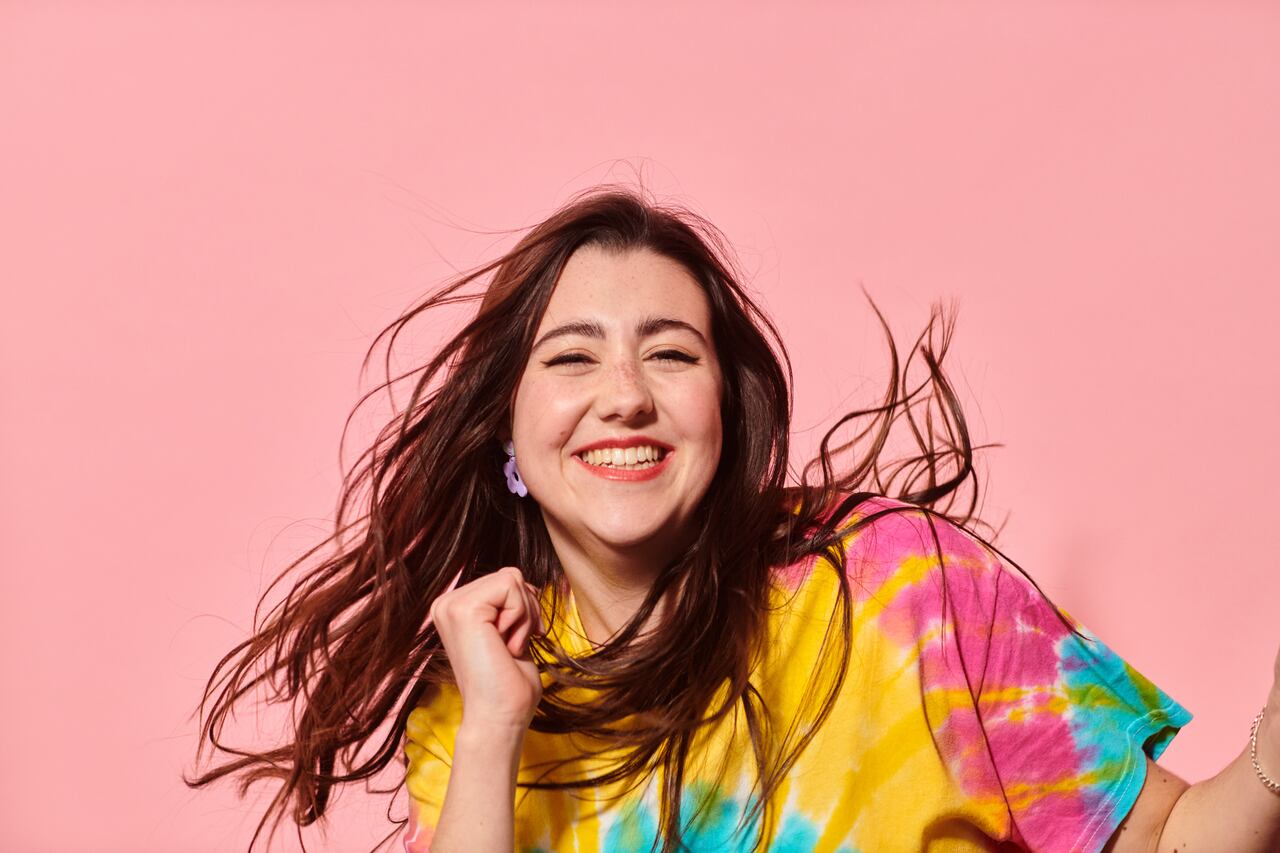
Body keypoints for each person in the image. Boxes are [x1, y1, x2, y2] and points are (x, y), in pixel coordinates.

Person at [187, 186, 1280, 852]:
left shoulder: (897, 584)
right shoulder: (479, 694)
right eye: (572, 359)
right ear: (508, 434)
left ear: (726, 412)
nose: (624, 395)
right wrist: (492, 728)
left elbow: (1171, 841)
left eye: (670, 352)